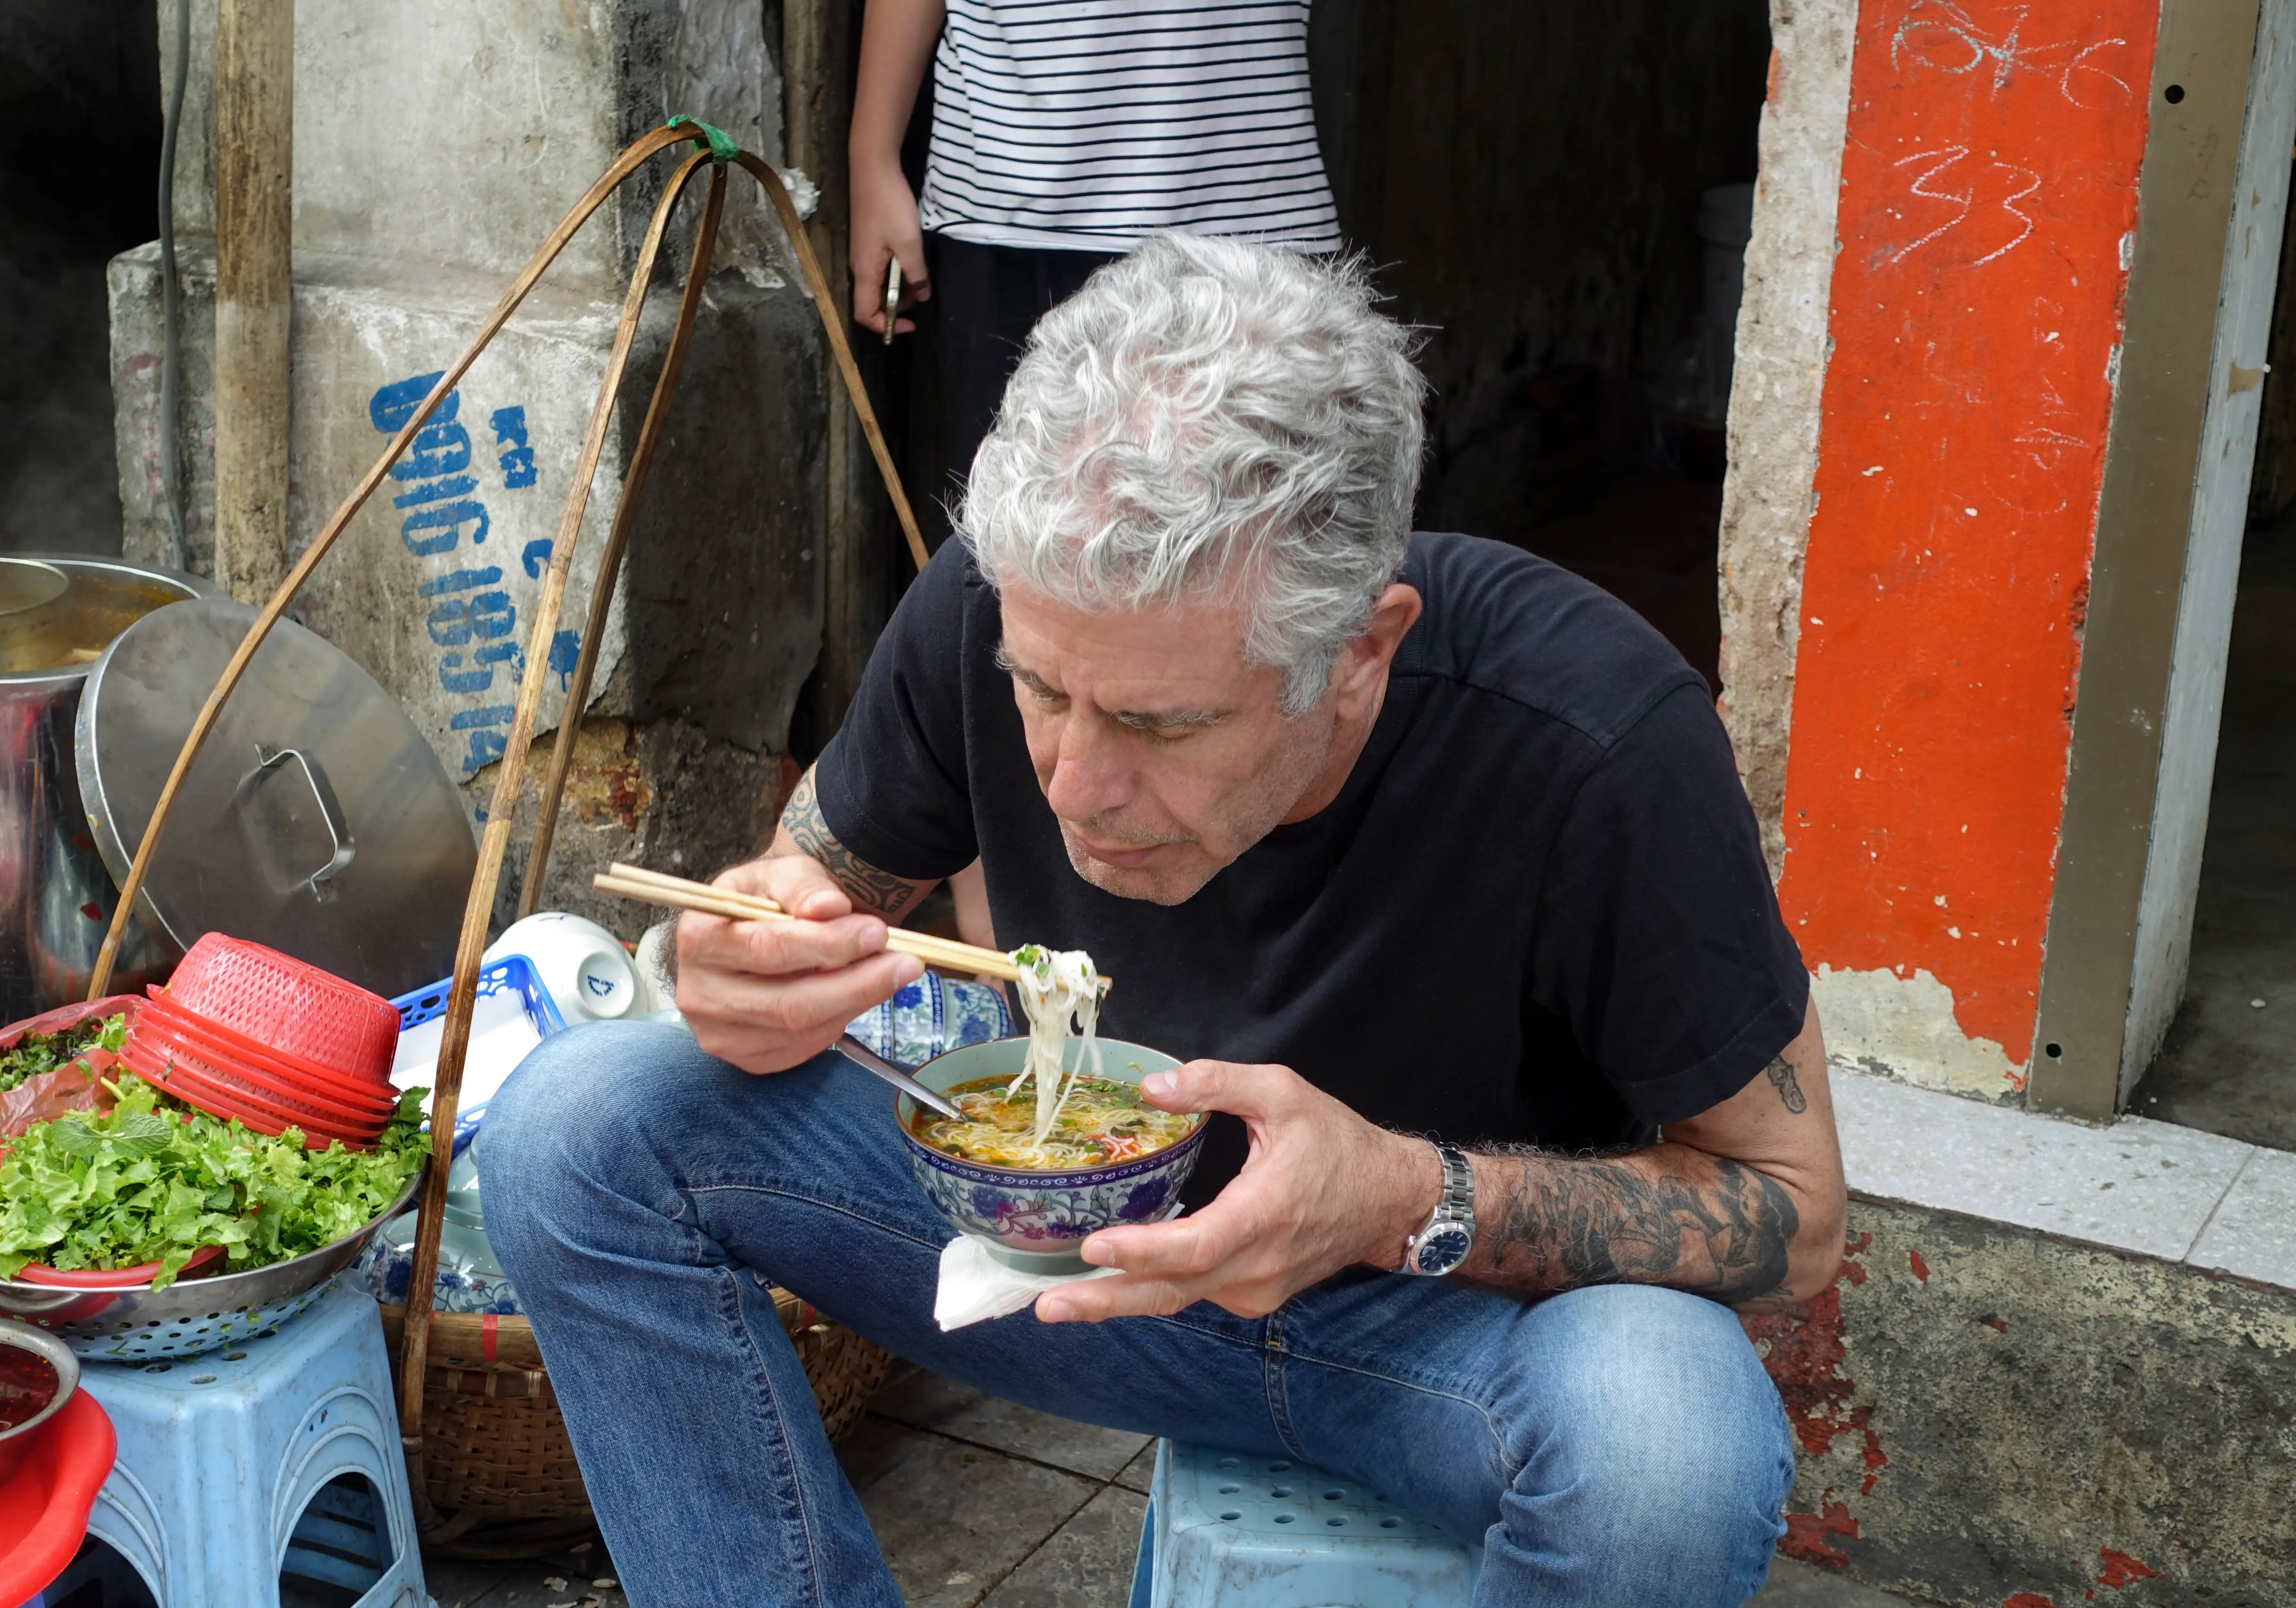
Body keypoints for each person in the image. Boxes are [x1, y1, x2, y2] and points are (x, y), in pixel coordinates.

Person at [478, 235, 1846, 1608]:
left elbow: (1793, 1212)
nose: (1077, 785)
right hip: (1087, 1253)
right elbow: (796, 891)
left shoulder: (1596, 737)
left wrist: (1398, 1195)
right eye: (1043, 694)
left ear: (1361, 652)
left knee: (1668, 1450)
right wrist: (740, 959)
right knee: (583, 1126)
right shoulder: (1007, 599)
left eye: (1162, 723)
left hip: (1446, 1332)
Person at [848, 0, 1340, 494]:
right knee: (1022, 536)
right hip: (1014, 202)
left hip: (1250, 209)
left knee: (1264, 532)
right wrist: (873, 157)